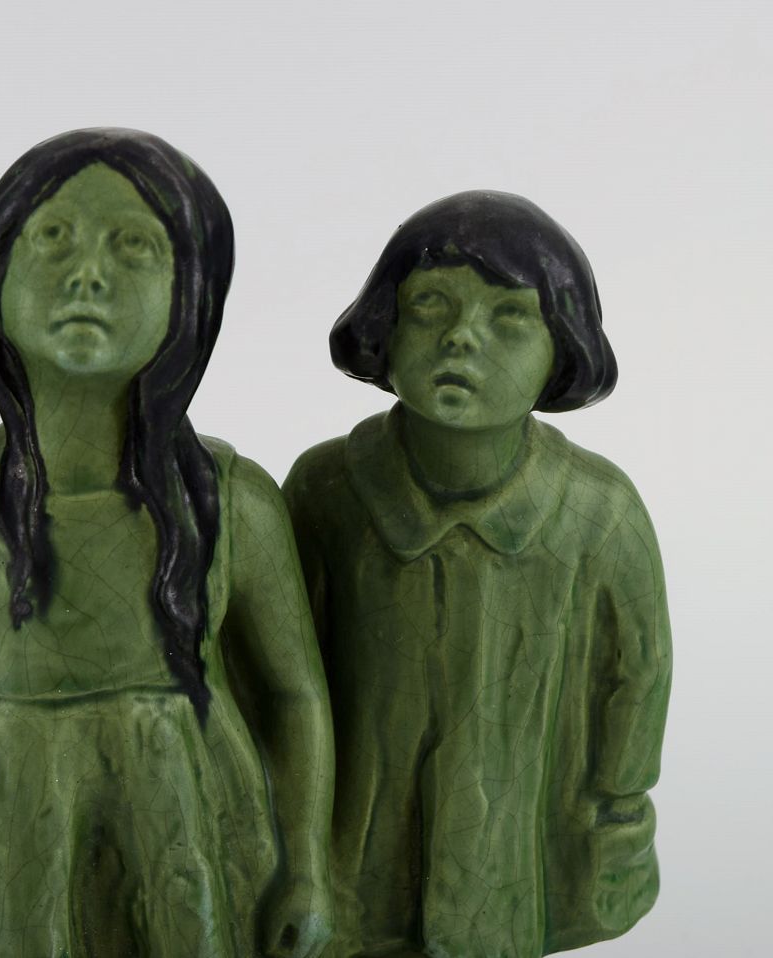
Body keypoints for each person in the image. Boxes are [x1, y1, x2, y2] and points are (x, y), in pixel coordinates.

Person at [0, 128, 335, 958]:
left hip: (187, 823)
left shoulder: (237, 502)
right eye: (53, 237)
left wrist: (307, 868)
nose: (87, 273)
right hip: (1, 821)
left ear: (192, 295)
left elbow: (296, 696)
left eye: (134, 246)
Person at [283, 192, 671, 957]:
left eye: (510, 316)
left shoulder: (599, 513)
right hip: (353, 841)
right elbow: (281, 670)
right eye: (430, 304)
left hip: (523, 845)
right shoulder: (326, 491)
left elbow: (639, 672)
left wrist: (619, 811)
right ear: (383, 325)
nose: (461, 337)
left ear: (563, 348)